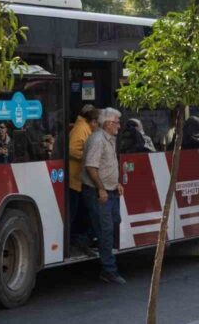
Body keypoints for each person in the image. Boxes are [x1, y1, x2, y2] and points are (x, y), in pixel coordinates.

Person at [81, 108, 126, 285]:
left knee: (114, 221)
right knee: (106, 230)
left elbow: (108, 165)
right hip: (98, 192)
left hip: (110, 190)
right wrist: (101, 189)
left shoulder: (109, 139)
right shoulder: (98, 139)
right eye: (117, 122)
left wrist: (116, 183)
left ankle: (88, 239)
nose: (119, 126)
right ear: (107, 124)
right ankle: (109, 270)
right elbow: (91, 167)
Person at [68, 105, 98, 255]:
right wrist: (88, 158)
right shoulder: (81, 128)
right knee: (74, 212)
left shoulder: (84, 127)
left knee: (79, 212)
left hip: (79, 179)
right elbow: (72, 149)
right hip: (75, 179)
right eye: (96, 123)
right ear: (91, 120)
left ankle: (78, 240)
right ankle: (74, 240)